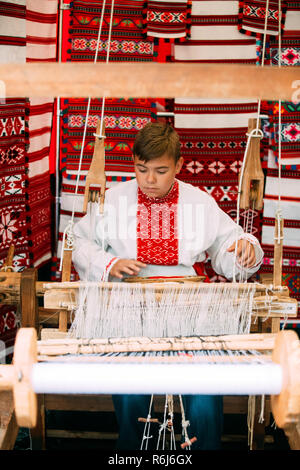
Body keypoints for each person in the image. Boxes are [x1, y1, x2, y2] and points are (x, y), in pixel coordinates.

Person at [72, 122, 264, 450]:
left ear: (178, 164)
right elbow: (78, 240)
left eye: (161, 171)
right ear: (133, 162)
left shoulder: (198, 202)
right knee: (132, 395)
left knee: (203, 398)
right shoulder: (114, 201)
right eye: (141, 169)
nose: (149, 180)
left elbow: (228, 245)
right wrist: (109, 264)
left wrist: (245, 251)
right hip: (130, 312)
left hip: (188, 314)